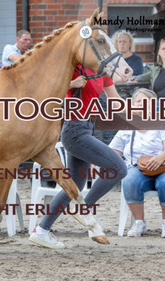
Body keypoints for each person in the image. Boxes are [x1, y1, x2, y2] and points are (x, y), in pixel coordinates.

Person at [29, 65, 129, 249]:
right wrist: (72, 83)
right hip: (75, 130)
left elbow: (115, 101)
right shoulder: (76, 67)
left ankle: (41, 231)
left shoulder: (103, 73)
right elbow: (48, 90)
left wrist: (137, 110)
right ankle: (85, 207)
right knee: (119, 168)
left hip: (87, 129)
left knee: (75, 185)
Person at [109, 89, 165, 238]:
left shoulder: (162, 120)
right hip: (139, 167)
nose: (140, 104)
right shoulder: (127, 125)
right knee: (129, 180)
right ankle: (139, 222)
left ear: (154, 104)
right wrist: (98, 159)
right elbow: (113, 151)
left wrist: (159, 158)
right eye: (138, 101)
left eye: (145, 101)